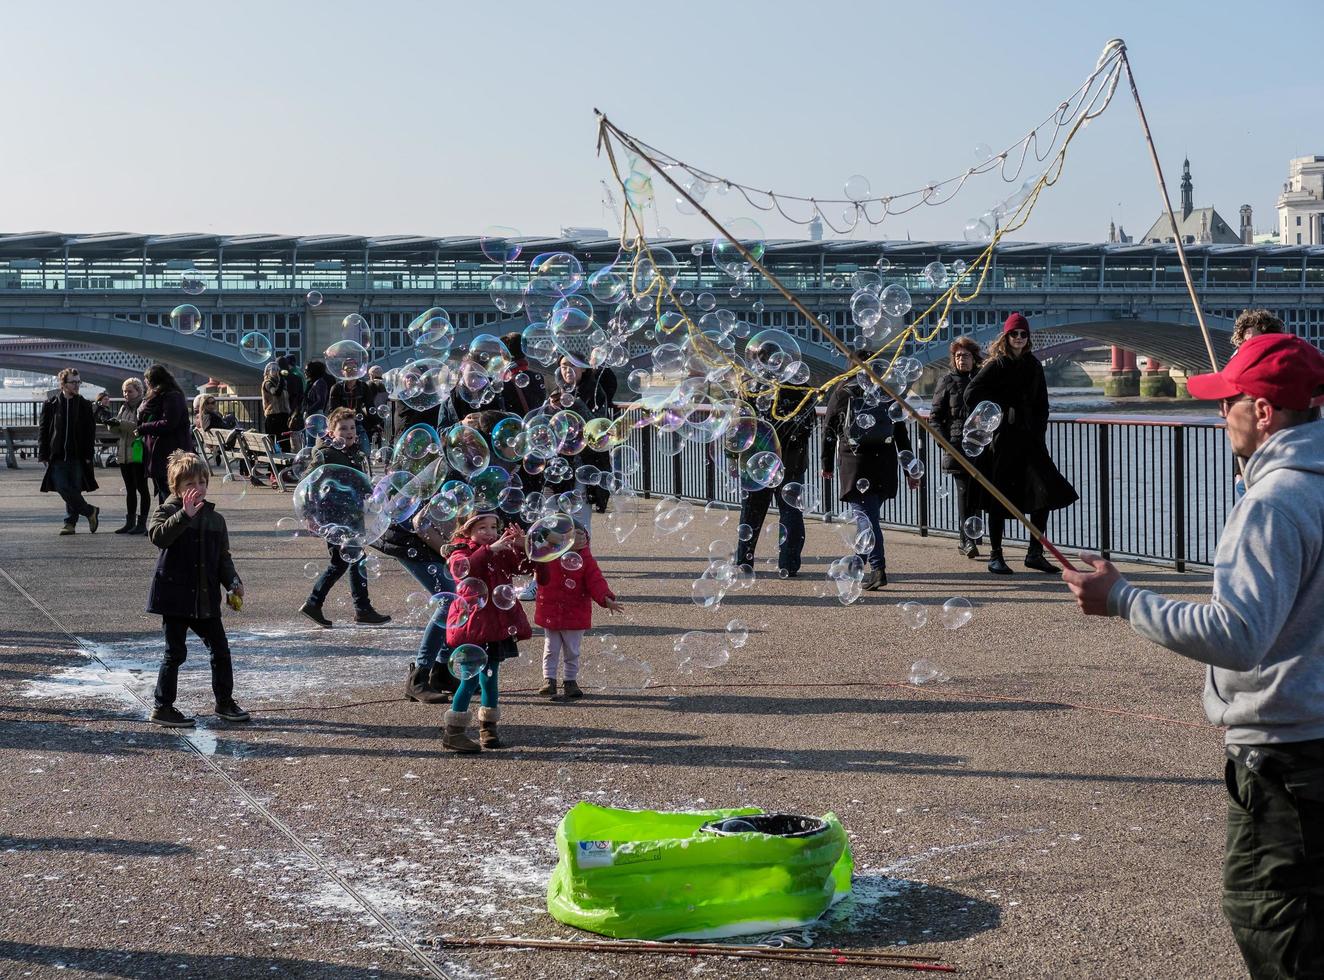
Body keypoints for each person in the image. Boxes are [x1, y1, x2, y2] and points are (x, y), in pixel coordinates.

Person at [1062, 332, 1324, 980]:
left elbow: (1237, 635)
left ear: (1263, 412)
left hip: (1286, 758)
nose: (1217, 413)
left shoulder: (1273, 503)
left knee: (1271, 916)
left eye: (1228, 399)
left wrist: (1122, 597)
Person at [965, 313, 1078, 575]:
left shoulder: (1034, 365)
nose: (1018, 338)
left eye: (1023, 334)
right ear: (1006, 337)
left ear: (1027, 338)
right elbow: (971, 394)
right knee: (998, 498)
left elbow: (1043, 404)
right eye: (1014, 334)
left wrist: (1038, 428)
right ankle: (996, 555)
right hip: (1002, 442)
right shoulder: (996, 365)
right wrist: (996, 414)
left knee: (1044, 495)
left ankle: (1034, 553)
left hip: (1031, 442)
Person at [145, 450, 248, 728]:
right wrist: (183, 515)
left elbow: (222, 558)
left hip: (204, 599)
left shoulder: (216, 519)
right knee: (175, 653)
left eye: (202, 483)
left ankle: (224, 702)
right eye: (190, 484)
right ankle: (163, 707)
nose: (198, 489)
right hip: (175, 598)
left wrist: (233, 582)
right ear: (176, 488)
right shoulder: (167, 511)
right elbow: (158, 537)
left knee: (220, 650)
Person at [441, 512, 532, 754]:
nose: (490, 532)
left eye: (493, 527)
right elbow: (464, 570)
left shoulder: (500, 551)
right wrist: (490, 549)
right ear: (467, 531)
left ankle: (488, 729)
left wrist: (524, 547)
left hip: (495, 629)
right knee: (469, 681)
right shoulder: (459, 552)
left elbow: (525, 568)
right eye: (482, 528)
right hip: (472, 631)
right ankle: (454, 732)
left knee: (490, 680)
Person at [298, 408, 392, 629]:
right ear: (331, 432)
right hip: (333, 518)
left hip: (350, 515)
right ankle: (315, 603)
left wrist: (369, 491)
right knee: (340, 562)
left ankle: (362, 609)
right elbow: (307, 482)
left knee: (355, 560)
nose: (349, 432)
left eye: (352, 428)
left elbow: (355, 483)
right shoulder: (327, 454)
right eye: (343, 428)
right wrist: (309, 514)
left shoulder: (352, 452)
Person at [821, 373, 915, 590]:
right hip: (885, 464)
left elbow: (828, 430)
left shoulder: (842, 393)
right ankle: (857, 564)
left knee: (866, 519)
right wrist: (910, 470)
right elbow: (901, 434)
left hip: (856, 463)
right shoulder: (887, 393)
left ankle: (878, 568)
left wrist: (826, 463)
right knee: (868, 516)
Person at [534, 521, 625, 700]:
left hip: (575, 613)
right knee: (551, 649)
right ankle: (549, 680)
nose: (581, 538)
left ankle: (570, 681)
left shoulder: (586, 559)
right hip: (551, 611)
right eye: (574, 535)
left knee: (572, 651)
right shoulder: (549, 555)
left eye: (583, 535)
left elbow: (596, 581)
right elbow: (534, 540)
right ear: (561, 538)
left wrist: (606, 598)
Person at [735, 387, 816, 577]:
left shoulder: (752, 390)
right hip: (792, 462)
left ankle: (744, 561)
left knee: (751, 513)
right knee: (791, 513)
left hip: (757, 461)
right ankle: (789, 563)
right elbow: (809, 427)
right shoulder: (803, 392)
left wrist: (732, 456)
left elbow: (740, 427)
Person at [929, 336, 985, 558]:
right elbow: (935, 418)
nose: (962, 359)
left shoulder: (982, 380)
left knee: (978, 493)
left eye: (966, 356)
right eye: (958, 356)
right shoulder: (947, 382)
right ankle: (966, 540)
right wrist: (946, 446)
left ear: (974, 358)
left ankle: (974, 535)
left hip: (981, 445)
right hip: (957, 445)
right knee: (964, 493)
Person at [1229, 310, 1288, 500]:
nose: (1249, 345)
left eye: (1254, 340)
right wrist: (1238, 475)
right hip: (1248, 465)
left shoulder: (1277, 364)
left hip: (1274, 459)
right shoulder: (1237, 361)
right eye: (1245, 340)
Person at [38, 367, 100, 535]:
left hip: (77, 455)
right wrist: (43, 453)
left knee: (73, 488)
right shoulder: (50, 404)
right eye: (73, 382)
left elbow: (90, 432)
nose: (77, 385)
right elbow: (44, 430)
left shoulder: (84, 405)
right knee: (62, 486)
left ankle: (70, 523)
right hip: (57, 455)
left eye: (78, 382)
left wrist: (88, 455)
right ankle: (90, 511)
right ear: (63, 384)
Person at [137, 365, 192, 503]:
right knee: (163, 490)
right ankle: (165, 521)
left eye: (146, 379)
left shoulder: (172, 397)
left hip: (170, 452)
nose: (145, 382)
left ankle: (172, 521)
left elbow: (169, 423)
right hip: (159, 452)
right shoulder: (158, 397)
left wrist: (144, 427)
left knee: (169, 491)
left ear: (152, 380)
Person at [110, 378, 149, 534]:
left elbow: (140, 428)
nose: (126, 394)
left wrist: (121, 424)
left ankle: (142, 523)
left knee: (142, 488)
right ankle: (130, 522)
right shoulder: (124, 407)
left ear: (139, 391)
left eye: (130, 391)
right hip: (124, 453)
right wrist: (112, 425)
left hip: (138, 452)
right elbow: (119, 431)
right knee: (130, 489)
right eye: (124, 391)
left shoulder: (143, 407)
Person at [260, 362, 292, 450]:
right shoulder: (267, 383)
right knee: (275, 443)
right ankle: (275, 463)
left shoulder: (282, 383)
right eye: (273, 369)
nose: (276, 371)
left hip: (284, 416)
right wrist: (281, 379)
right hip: (273, 417)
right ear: (267, 372)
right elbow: (276, 392)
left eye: (277, 369)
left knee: (285, 443)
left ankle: (285, 463)